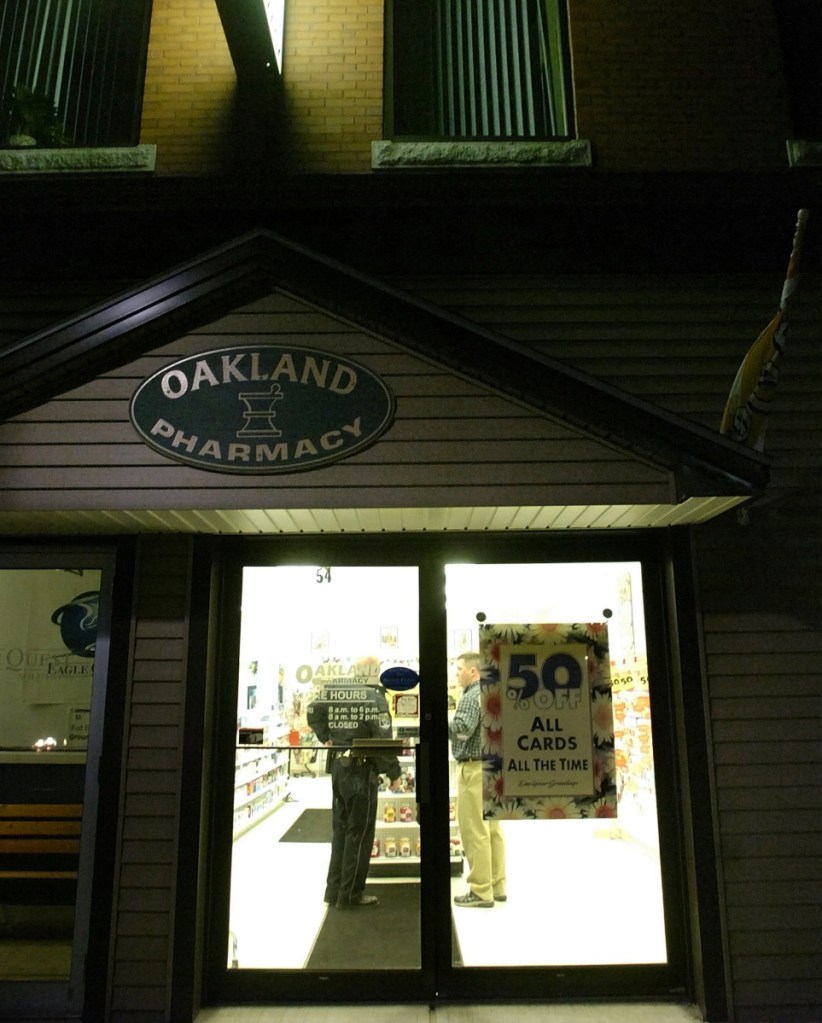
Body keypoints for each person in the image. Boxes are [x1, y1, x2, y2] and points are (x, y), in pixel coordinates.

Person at [307, 657, 402, 909]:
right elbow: (382, 740)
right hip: (360, 770)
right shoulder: (374, 697)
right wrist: (394, 772)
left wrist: (325, 736)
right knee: (359, 833)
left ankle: (334, 890)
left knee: (341, 830)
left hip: (338, 768)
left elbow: (312, 711)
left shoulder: (335, 690)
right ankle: (350, 895)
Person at [449, 651, 506, 908]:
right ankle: (497, 884)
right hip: (492, 766)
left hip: (473, 768)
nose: (456, 673)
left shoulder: (471, 695)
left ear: (472, 671)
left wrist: (444, 725)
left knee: (474, 831)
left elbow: (462, 731)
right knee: (493, 830)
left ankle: (481, 890)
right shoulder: (490, 692)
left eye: (459, 668)